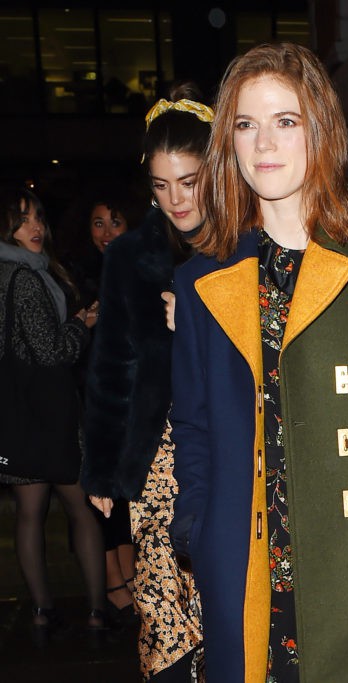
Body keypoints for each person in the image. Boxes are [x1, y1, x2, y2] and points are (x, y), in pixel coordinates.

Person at [168, 43, 348, 682]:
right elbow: (193, 423)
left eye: (285, 121)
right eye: (245, 124)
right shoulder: (202, 281)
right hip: (245, 567)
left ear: (319, 131)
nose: (264, 142)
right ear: (228, 143)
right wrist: (197, 528)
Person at [81, 85, 212, 681]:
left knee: (229, 606)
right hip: (158, 458)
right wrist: (106, 469)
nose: (176, 199)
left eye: (187, 181)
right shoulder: (130, 254)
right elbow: (113, 367)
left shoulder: (248, 247)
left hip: (234, 449)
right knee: (164, 613)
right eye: (161, 186)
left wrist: (199, 323)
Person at [0, 187, 106, 643]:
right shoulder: (23, 277)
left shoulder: (15, 272)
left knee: (30, 514)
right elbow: (52, 350)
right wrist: (82, 325)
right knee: (80, 509)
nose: (35, 227)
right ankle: (99, 610)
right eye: (23, 220)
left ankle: (43, 611)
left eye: (39, 216)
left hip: (15, 412)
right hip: (49, 413)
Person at [60, 187, 137, 621]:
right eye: (98, 223)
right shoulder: (76, 276)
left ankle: (128, 574)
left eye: (116, 222)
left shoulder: (140, 268)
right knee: (99, 489)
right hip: (89, 397)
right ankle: (113, 581)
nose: (107, 232)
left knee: (126, 490)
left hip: (129, 393)